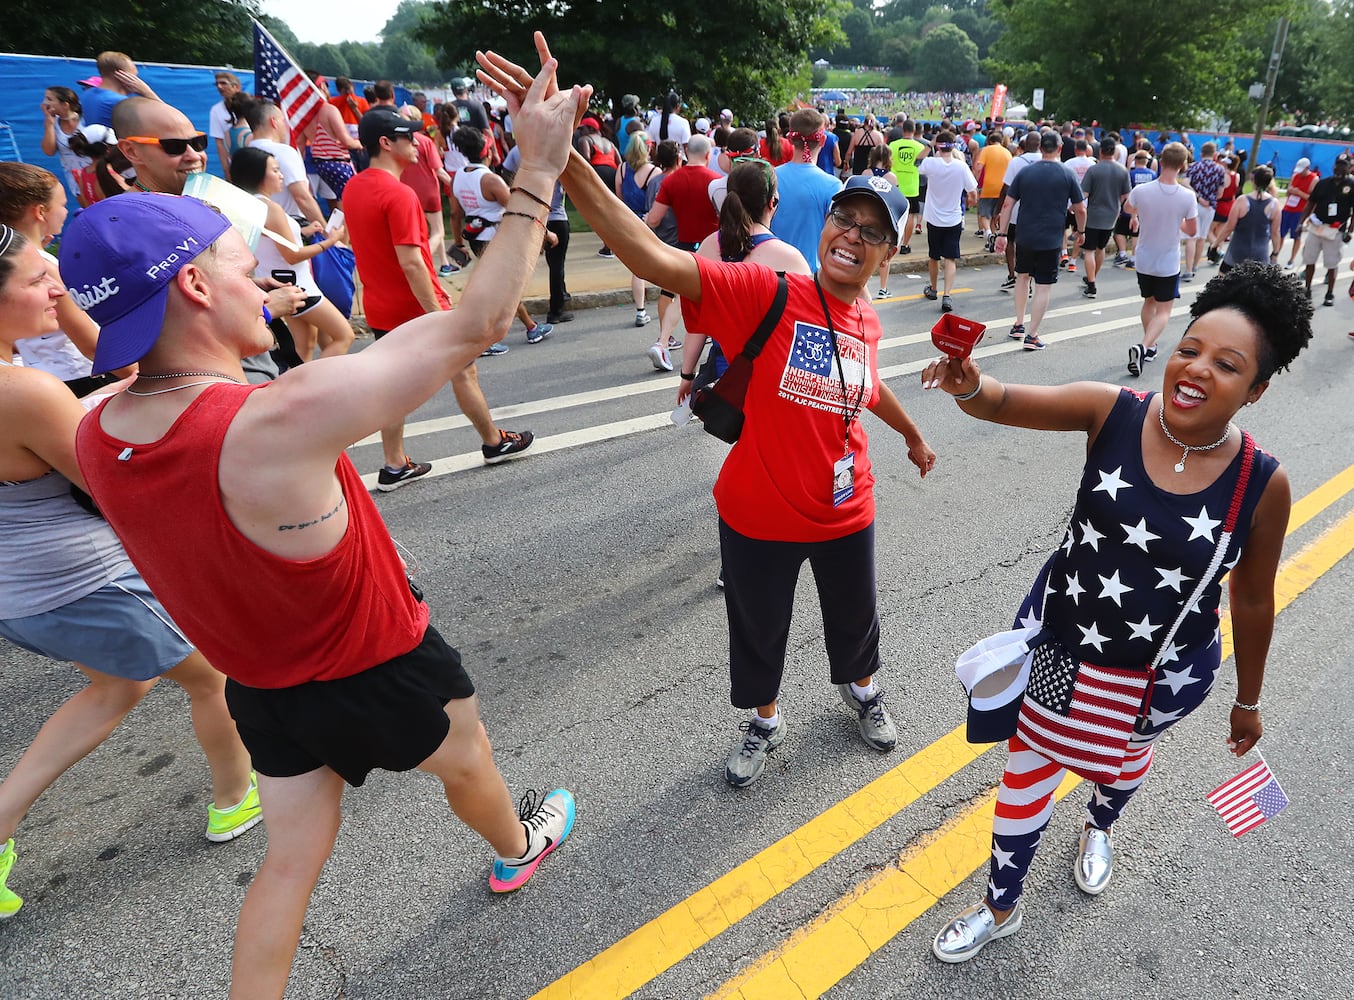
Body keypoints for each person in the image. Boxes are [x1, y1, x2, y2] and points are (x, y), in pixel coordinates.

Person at [63, 55, 582, 997]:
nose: (264, 276)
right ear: (192, 290)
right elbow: (475, 323)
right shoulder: (267, 420)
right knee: (469, 761)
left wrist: (308, 346)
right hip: (377, 660)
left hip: (264, 686)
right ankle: (516, 848)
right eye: (241, 265)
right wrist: (538, 167)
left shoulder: (98, 429)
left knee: (290, 862)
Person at [481, 31, 938, 789]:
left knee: (855, 621)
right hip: (757, 511)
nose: (852, 236)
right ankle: (765, 720)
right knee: (758, 632)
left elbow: (867, 386)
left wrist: (915, 436)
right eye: (844, 222)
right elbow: (651, 258)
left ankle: (862, 691)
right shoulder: (770, 290)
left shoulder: (867, 320)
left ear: (890, 256)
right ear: (824, 226)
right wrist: (557, 158)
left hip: (845, 507)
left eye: (872, 233)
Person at [923, 261, 1312, 963]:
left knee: (1125, 759)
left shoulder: (1264, 482)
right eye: (1189, 347)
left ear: (1254, 391)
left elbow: (1253, 597)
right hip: (1064, 649)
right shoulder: (1115, 409)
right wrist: (968, 383)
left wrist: (1248, 701)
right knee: (1028, 770)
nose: (1195, 369)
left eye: (1225, 365)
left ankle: (1100, 826)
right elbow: (1004, 401)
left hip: (1164, 675)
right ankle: (1000, 905)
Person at [0, 225, 261, 921]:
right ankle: (237, 798)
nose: (55, 289)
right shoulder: (22, 391)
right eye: (35, 281)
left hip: (21, 593)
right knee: (212, 673)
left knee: (117, 686)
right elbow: (108, 486)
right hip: (82, 581)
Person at [345, 111, 534, 483]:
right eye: (408, 137)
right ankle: (494, 442)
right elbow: (413, 264)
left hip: (379, 307)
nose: (417, 143)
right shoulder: (399, 194)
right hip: (416, 308)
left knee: (391, 387)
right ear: (386, 143)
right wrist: (438, 313)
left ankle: (395, 463)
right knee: (465, 372)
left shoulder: (353, 188)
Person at [228, 147, 355, 363]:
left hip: (282, 282)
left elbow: (271, 240)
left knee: (303, 345)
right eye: (275, 170)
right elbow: (292, 255)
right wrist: (331, 241)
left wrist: (305, 231)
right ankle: (312, 387)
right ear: (258, 174)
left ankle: (296, 388)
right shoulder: (271, 208)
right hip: (300, 285)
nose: (281, 175)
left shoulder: (249, 204)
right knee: (344, 335)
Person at [0, 163, 114, 394]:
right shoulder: (44, 268)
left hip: (46, 371)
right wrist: (139, 374)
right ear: (40, 212)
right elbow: (91, 345)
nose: (65, 211)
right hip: (80, 375)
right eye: (62, 205)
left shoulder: (17, 263)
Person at [451, 125, 555, 345]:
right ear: (488, 152)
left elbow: (454, 213)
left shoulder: (458, 177)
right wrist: (547, 233)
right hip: (497, 239)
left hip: (475, 238)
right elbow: (520, 211)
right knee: (504, 288)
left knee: (499, 287)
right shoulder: (491, 181)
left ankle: (530, 327)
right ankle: (489, 337)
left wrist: (459, 243)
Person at [993, 130, 1085, 351]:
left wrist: (1002, 234)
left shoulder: (1025, 172)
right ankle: (1032, 335)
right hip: (1051, 238)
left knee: (1022, 278)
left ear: (1040, 148)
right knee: (1043, 286)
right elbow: (1080, 209)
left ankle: (1018, 323)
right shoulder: (1067, 173)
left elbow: (1007, 204)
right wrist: (1080, 231)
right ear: (1060, 149)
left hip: (1025, 235)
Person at [1123, 142, 1200, 377]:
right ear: (1183, 165)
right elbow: (1192, 231)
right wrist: (1175, 219)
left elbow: (1127, 208)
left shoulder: (1142, 190)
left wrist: (1137, 216)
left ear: (1161, 161)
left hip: (1144, 257)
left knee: (1148, 302)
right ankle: (1144, 345)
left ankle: (1149, 345)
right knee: (1164, 310)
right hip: (1168, 260)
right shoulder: (1187, 197)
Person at [642, 134, 720, 366]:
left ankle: (663, 342)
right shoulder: (715, 181)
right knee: (716, 296)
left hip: (684, 246)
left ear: (686, 153)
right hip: (713, 247)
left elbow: (654, 220)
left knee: (680, 296)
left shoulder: (671, 181)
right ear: (708, 155)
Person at [769, 110, 843, 272]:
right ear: (822, 140)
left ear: (790, 138)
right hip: (809, 276)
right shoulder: (833, 185)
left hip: (771, 272)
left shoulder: (769, 177)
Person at [917, 130, 977, 313]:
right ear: (954, 146)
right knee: (950, 257)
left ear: (938, 145)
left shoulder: (931, 164)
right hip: (953, 218)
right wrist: (970, 202)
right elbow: (973, 192)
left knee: (934, 256)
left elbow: (917, 162)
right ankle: (947, 295)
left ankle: (934, 288)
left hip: (934, 218)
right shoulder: (961, 166)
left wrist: (930, 144)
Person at [397, 105, 456, 277]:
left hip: (407, 191)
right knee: (438, 231)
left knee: (417, 232)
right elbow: (439, 171)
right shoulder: (425, 141)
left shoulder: (398, 141)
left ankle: (444, 263)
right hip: (428, 190)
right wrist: (456, 186)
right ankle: (422, 261)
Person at [616, 132, 664, 329]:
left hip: (628, 222)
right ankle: (668, 305)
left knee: (637, 269)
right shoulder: (655, 172)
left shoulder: (621, 169)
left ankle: (640, 310)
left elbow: (619, 199)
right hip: (647, 222)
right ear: (648, 148)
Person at [1298, 153, 1354, 307]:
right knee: (1309, 259)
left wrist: (1349, 230)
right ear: (1333, 165)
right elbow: (1310, 203)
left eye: (1343, 165)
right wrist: (1300, 222)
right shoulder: (1322, 183)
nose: (1339, 168)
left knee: (1332, 263)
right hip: (1317, 226)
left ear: (1349, 168)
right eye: (1338, 164)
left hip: (1335, 230)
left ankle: (1330, 292)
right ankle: (1307, 288)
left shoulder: (1352, 185)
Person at [1078, 136, 1132, 298]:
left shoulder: (1094, 170)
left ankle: (1091, 283)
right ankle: (1092, 276)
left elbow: (1084, 194)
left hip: (1093, 215)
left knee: (1088, 251)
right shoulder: (1122, 171)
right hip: (1111, 216)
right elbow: (1126, 197)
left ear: (1100, 151)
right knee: (1100, 249)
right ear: (1114, 152)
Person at [1210, 166, 1282, 274]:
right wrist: (1275, 253)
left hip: (1236, 253)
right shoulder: (1274, 204)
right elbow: (1275, 232)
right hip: (1260, 255)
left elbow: (1229, 227)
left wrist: (1215, 244)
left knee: (1223, 285)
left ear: (1253, 180)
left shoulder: (1242, 200)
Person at [39, 86, 90, 205]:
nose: (44, 103)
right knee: (89, 209)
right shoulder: (54, 123)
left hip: (97, 173)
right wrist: (49, 124)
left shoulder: (86, 119)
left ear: (65, 105)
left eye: (49, 99)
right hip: (75, 177)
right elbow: (49, 151)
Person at [81, 51, 159, 127]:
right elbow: (169, 118)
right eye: (134, 76)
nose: (137, 81)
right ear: (122, 75)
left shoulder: (88, 93)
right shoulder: (120, 102)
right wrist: (146, 91)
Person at [1276, 157, 1316, 267]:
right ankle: (1275, 255)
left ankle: (1291, 260)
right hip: (1288, 208)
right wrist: (1290, 191)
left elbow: (1311, 198)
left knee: (1296, 236)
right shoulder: (1295, 176)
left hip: (1300, 210)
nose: (1300, 173)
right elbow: (1288, 191)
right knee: (1280, 233)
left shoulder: (1314, 179)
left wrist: (1299, 193)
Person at [208, 71, 242, 176]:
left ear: (236, 86)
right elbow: (219, 142)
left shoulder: (251, 105)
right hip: (235, 164)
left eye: (223, 83)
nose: (219, 86)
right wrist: (226, 170)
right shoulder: (216, 110)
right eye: (217, 84)